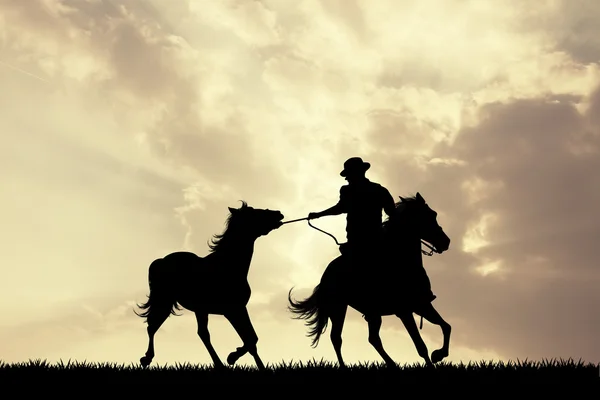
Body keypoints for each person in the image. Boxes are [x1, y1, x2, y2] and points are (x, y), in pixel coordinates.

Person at [308, 157, 396, 263]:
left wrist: (319, 214)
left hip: (360, 239)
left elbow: (340, 208)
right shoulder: (379, 190)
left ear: (356, 173)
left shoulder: (348, 191)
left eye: (348, 175)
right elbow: (392, 212)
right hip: (372, 238)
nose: (347, 179)